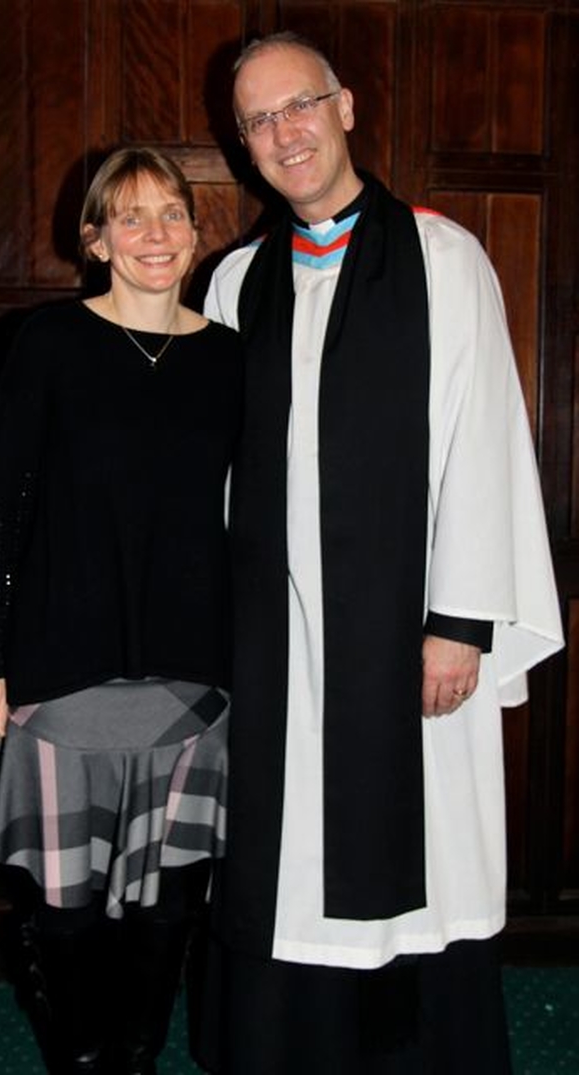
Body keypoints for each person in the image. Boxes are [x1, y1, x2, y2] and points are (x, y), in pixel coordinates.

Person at [192, 32, 564, 1075]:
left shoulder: (443, 259)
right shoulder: (237, 282)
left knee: (420, 847)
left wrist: (456, 622)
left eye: (297, 106)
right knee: (281, 851)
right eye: (257, 121)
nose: (282, 133)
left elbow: (482, 440)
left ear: (345, 106)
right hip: (276, 645)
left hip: (403, 636)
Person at [0, 146, 243, 1074]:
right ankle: (83, 1058)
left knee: (172, 902)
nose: (155, 234)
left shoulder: (234, 359)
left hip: (194, 674)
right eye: (130, 216)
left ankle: (136, 1052)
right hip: (62, 666)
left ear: (198, 234)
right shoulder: (46, 342)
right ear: (95, 238)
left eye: (171, 213)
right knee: (65, 903)